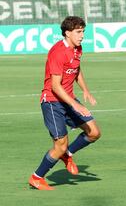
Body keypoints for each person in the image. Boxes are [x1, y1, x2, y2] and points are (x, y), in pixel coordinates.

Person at [28, 16, 101, 190]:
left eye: (83, 31)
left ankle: (67, 154)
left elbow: (76, 70)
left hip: (68, 100)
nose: (82, 35)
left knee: (94, 132)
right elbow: (55, 86)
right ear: (67, 33)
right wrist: (76, 105)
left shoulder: (78, 49)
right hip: (52, 102)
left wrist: (85, 90)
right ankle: (37, 177)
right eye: (78, 32)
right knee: (60, 145)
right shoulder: (57, 52)